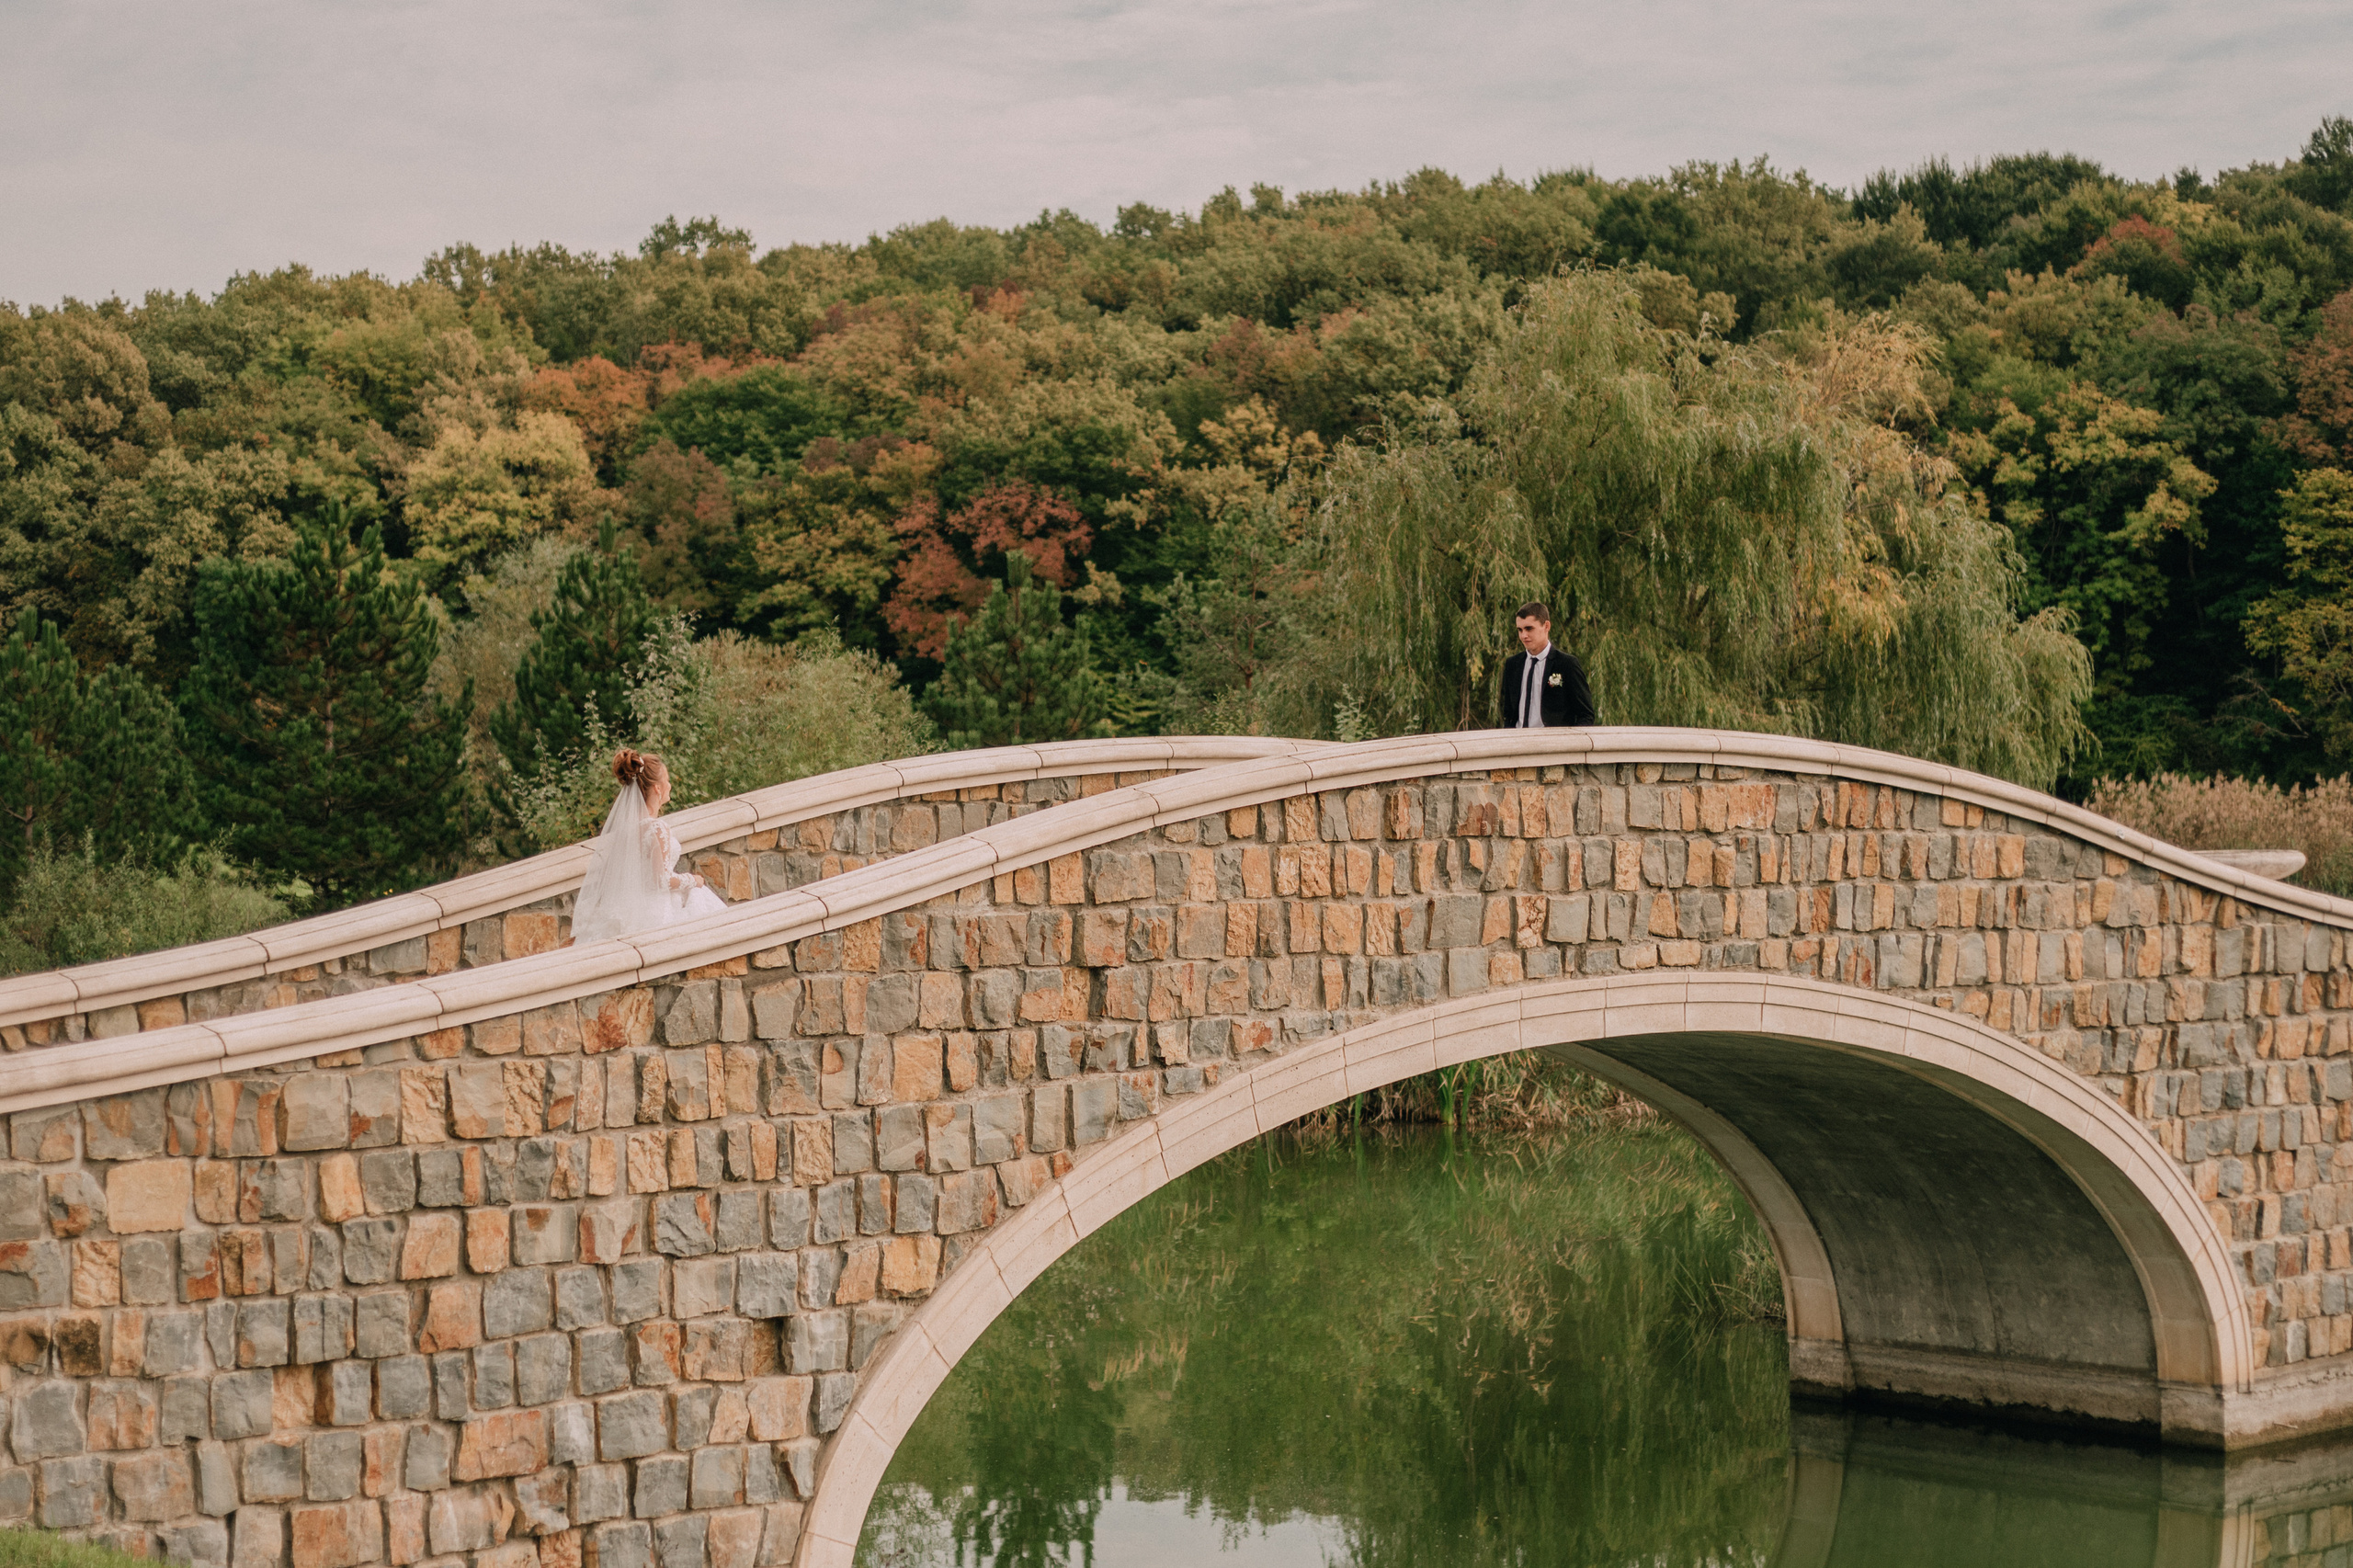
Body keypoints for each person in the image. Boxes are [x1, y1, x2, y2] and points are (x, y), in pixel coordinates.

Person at [569, 749, 728, 943]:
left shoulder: (625, 831)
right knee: (702, 902)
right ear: (657, 788)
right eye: (667, 780)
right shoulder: (656, 828)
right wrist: (693, 880)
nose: (670, 785)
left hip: (629, 906)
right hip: (656, 908)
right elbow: (661, 880)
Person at [1496, 601, 1596, 729]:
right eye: (1520, 630)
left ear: (1546, 626)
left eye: (1529, 628)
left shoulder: (1567, 664)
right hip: (1517, 742)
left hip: (1553, 743)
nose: (1523, 635)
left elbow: (1586, 715)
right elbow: (1508, 713)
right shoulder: (1513, 665)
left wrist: (1568, 743)